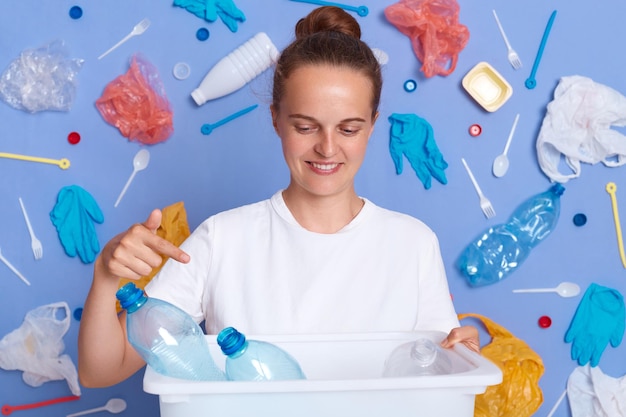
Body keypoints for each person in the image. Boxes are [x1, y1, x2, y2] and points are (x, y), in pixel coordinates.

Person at [78, 6, 479, 388]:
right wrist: (106, 277)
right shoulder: (222, 239)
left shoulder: (412, 244)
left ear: (373, 125)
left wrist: (463, 357)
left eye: (349, 129)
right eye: (306, 127)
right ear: (276, 119)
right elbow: (102, 371)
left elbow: (438, 372)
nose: (327, 148)